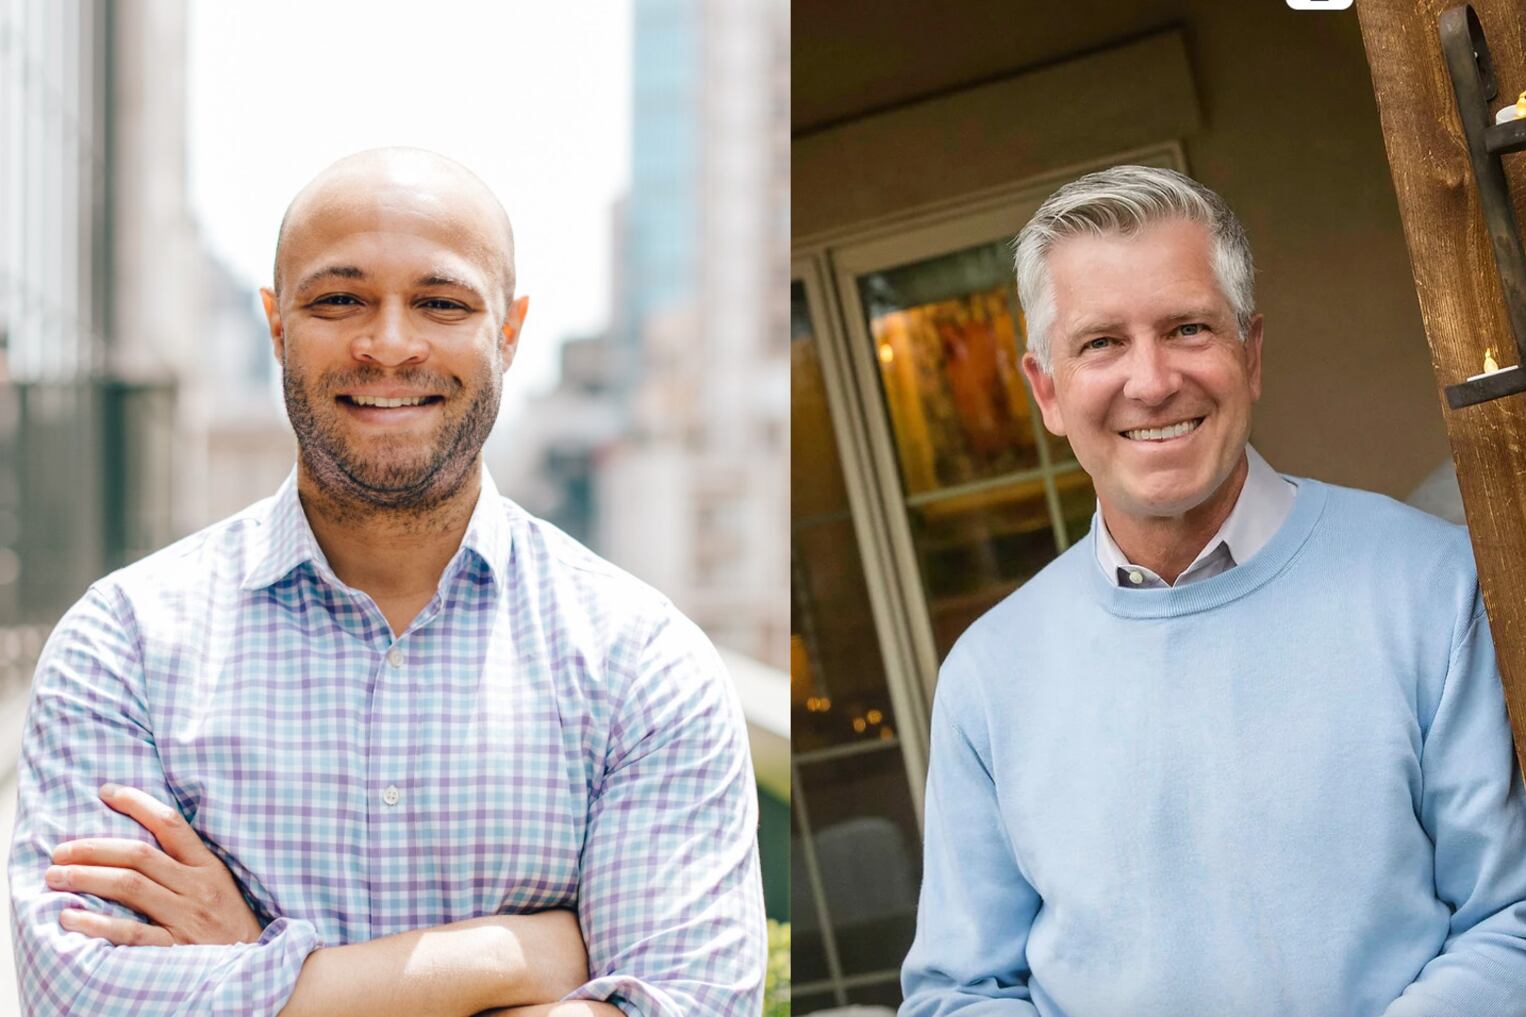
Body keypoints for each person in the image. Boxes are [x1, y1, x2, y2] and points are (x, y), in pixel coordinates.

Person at [9, 148, 765, 1016]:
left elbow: (690, 1004)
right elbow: (82, 998)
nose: (390, 344)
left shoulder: (644, 660)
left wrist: (254, 972)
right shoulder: (124, 643)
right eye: (339, 300)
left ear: (509, 332)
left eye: (441, 303)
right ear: (276, 324)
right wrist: (506, 956)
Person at [899, 165, 1526, 1016]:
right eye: (1101, 343)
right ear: (1046, 391)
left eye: (1188, 328)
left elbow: (1512, 919)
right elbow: (959, 991)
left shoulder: (1434, 586)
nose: (1152, 382)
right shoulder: (987, 675)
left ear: (1250, 353)